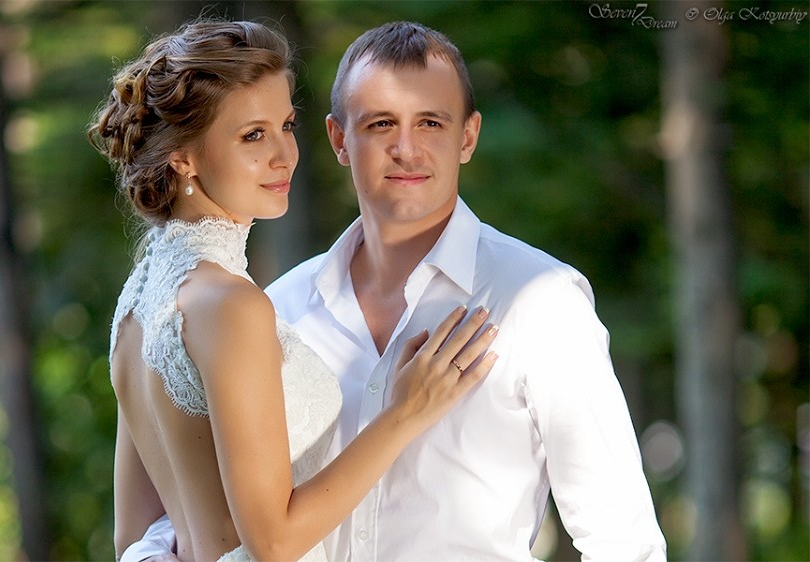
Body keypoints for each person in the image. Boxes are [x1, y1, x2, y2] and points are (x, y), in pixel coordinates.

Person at [128, 20, 667, 561]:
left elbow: (623, 542)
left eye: (430, 123)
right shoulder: (279, 305)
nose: (407, 150)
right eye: (381, 123)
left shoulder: (541, 301)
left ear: (468, 137)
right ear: (339, 139)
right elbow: (197, 512)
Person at [89, 19, 498, 562]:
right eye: (253, 135)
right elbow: (274, 543)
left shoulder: (138, 300)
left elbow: (132, 535)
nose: (285, 154)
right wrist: (405, 412)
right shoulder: (231, 305)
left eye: (286, 125)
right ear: (183, 156)